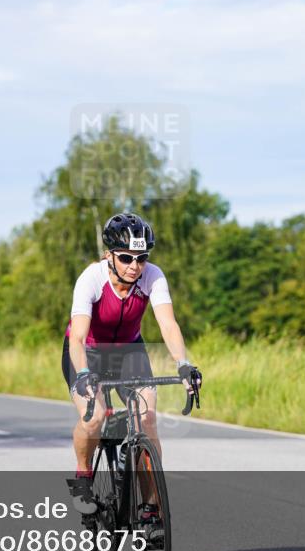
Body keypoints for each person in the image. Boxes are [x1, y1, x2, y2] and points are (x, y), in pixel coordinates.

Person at [63, 213, 203, 530]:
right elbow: (78, 338)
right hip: (89, 351)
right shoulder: (91, 278)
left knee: (147, 419)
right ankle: (84, 475)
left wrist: (183, 364)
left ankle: (152, 510)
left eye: (141, 258)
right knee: (95, 417)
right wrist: (83, 372)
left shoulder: (152, 276)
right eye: (126, 258)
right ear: (109, 255)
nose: (134, 266)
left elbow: (168, 324)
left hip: (129, 351)